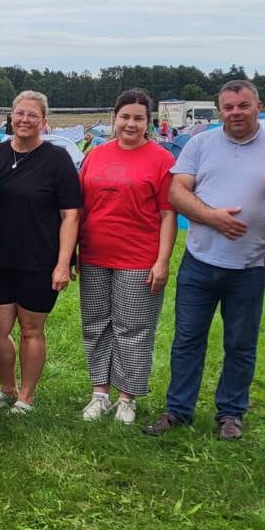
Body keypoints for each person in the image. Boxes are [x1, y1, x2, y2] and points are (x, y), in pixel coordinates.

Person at [145, 80, 265, 440]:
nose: (235, 112)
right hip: (200, 262)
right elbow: (177, 191)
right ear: (219, 109)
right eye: (228, 107)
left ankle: (231, 413)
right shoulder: (200, 143)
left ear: (258, 106)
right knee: (187, 339)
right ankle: (178, 410)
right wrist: (212, 217)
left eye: (243, 105)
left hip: (250, 266)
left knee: (240, 343)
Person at [76, 89, 177, 425]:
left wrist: (162, 260)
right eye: (125, 117)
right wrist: (73, 252)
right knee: (95, 326)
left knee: (133, 328)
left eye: (138, 118)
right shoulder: (96, 155)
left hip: (139, 259)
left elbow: (167, 215)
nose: (130, 124)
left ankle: (126, 397)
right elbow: (81, 207)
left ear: (148, 123)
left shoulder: (162, 159)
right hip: (94, 255)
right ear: (114, 117)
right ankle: (100, 393)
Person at [0, 91, 80, 413]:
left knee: (31, 330)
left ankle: (26, 396)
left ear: (44, 122)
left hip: (39, 259)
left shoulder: (57, 160)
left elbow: (70, 215)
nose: (24, 120)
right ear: (10, 116)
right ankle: (7, 387)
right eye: (19, 113)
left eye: (32, 115)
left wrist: (63, 263)